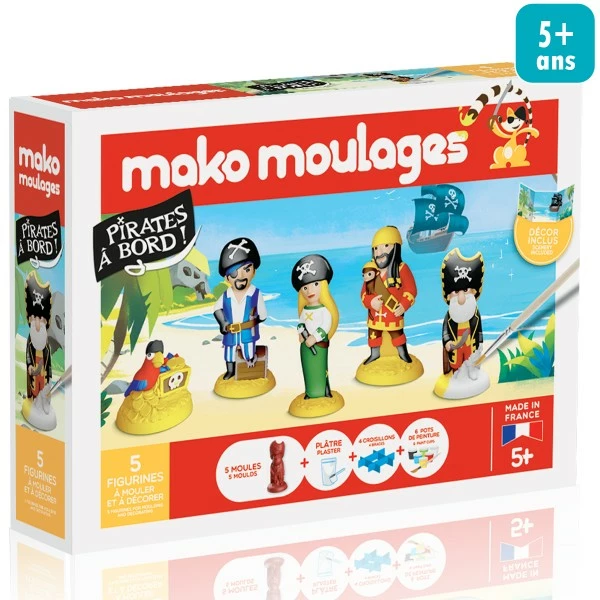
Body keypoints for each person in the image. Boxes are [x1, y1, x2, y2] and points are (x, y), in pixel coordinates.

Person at [361, 226, 417, 365]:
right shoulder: (371, 271)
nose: (379, 252)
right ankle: (374, 354)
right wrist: (370, 302)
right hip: (374, 316)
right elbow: (363, 293)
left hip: (393, 313)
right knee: (373, 335)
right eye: (376, 248)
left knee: (397, 335)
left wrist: (403, 305)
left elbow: (411, 290)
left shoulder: (402, 269)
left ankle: (403, 354)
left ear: (395, 248)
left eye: (385, 246)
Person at [213, 237, 266, 380]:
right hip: (230, 332)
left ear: (254, 271)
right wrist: (223, 322)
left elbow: (263, 315)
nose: (241, 276)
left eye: (247, 269)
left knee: (249, 352)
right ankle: (230, 371)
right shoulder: (226, 295)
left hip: (248, 332)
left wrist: (254, 320)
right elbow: (217, 309)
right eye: (234, 273)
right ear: (227, 278)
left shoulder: (255, 294)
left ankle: (249, 367)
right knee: (229, 353)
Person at [291, 254, 338, 399]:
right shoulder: (305, 310)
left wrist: (315, 337)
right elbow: (301, 322)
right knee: (308, 369)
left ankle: (323, 392)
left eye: (315, 284)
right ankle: (310, 392)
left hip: (318, 346)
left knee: (320, 368)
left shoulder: (324, 310)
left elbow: (325, 325)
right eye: (305, 287)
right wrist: (301, 333)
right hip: (306, 347)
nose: (309, 290)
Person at [441, 249, 485, 373]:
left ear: (474, 292)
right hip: (456, 346)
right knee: (457, 364)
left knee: (471, 362)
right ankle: (456, 374)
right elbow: (445, 331)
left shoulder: (475, 314)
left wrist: (480, 342)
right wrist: (447, 341)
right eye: (456, 292)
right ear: (449, 295)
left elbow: (479, 329)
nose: (461, 299)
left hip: (471, 344)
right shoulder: (449, 316)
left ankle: (471, 374)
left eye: (465, 291)